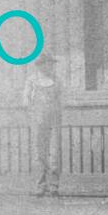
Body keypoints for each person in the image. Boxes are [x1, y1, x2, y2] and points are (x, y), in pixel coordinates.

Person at [22, 52, 63, 197]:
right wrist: (34, 112)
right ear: (40, 65)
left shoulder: (56, 80)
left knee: (54, 153)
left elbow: (62, 100)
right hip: (37, 120)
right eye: (47, 63)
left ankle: (54, 186)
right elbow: (25, 101)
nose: (50, 66)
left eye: (51, 63)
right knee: (39, 152)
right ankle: (41, 185)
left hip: (54, 120)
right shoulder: (32, 81)